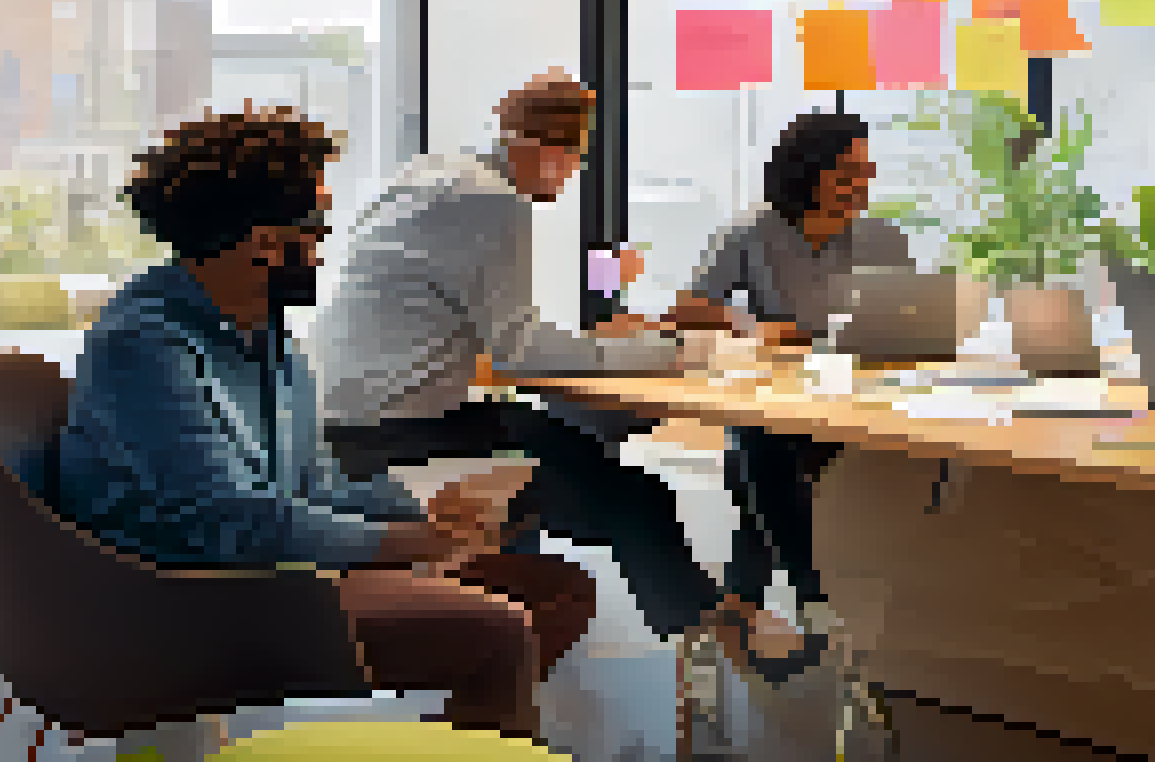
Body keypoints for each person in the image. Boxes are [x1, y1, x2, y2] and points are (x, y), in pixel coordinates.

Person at [50, 105, 595, 742]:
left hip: (271, 568)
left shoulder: (269, 339)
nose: (325, 246)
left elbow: (317, 490)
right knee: (499, 625)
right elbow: (237, 524)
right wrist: (404, 547)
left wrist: (425, 516)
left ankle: (453, 744)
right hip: (188, 596)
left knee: (554, 589)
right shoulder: (145, 348)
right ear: (264, 243)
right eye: (316, 228)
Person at [303, 70, 813, 686]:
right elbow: (521, 352)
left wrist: (614, 347)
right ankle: (715, 640)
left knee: (581, 459)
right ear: (551, 151)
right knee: (631, 493)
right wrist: (672, 352)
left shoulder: (424, 178)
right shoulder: (493, 201)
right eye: (574, 159)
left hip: (339, 420)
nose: (571, 176)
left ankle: (703, 627)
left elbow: (481, 330)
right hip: (400, 431)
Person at [667, 111, 912, 681]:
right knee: (766, 450)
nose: (865, 178)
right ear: (810, 172)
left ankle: (747, 610)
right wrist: (749, 325)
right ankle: (811, 601)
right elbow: (685, 309)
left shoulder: (881, 237)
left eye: (867, 167)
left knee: (755, 472)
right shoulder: (752, 231)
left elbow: (909, 311)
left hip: (856, 392)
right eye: (849, 168)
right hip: (777, 396)